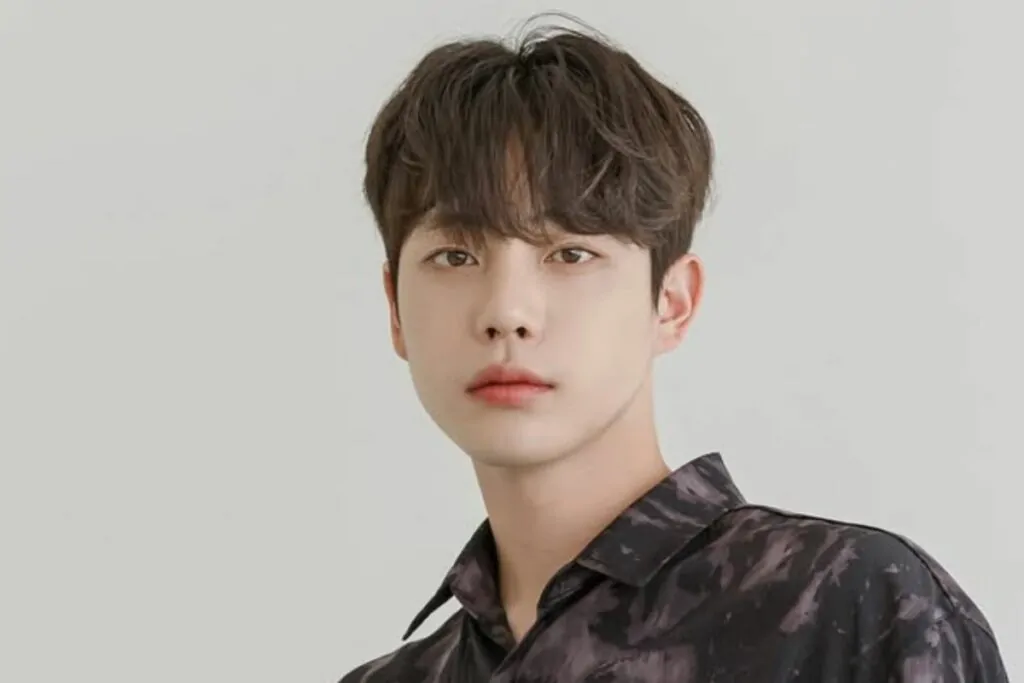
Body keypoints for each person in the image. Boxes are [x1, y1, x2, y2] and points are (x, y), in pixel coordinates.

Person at [339, 17, 1008, 683]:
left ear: (672, 301)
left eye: (571, 253)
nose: (506, 312)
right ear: (395, 308)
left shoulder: (853, 606)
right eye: (455, 256)